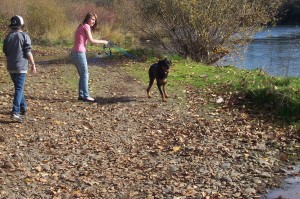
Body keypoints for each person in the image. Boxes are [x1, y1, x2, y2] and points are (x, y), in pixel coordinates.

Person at [2, 15, 36, 123]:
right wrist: (33, 64)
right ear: (21, 25)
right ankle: (15, 112)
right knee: (19, 89)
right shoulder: (24, 36)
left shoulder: (7, 37)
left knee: (18, 87)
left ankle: (23, 107)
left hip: (10, 67)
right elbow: (28, 52)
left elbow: (6, 52)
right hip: (21, 67)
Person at [70, 12, 109, 102]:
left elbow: (82, 40)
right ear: (87, 19)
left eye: (95, 20)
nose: (93, 22)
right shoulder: (86, 26)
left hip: (74, 53)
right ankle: (86, 96)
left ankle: (81, 95)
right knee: (85, 74)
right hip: (79, 53)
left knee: (82, 75)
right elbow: (91, 40)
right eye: (92, 19)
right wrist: (104, 42)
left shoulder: (81, 26)